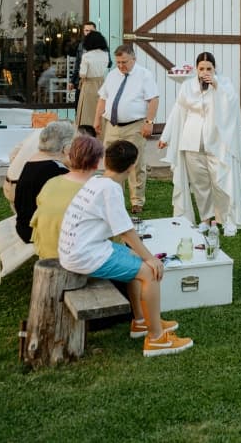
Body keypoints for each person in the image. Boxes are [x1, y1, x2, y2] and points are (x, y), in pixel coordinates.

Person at [58, 137, 193, 357]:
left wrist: (142, 255)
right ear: (132, 166)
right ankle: (156, 339)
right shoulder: (110, 189)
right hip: (84, 255)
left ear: (106, 161)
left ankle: (141, 321)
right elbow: (125, 231)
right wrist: (151, 258)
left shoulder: (97, 181)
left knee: (136, 259)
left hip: (79, 249)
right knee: (150, 272)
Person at [158, 52, 241, 235]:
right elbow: (177, 112)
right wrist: (165, 137)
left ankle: (227, 219)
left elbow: (231, 105)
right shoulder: (187, 86)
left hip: (217, 144)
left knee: (221, 182)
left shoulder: (224, 84)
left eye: (209, 68)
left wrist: (216, 86)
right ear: (196, 69)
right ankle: (206, 219)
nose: (205, 72)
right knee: (200, 185)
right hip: (191, 143)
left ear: (215, 69)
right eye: (201, 68)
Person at [31, 137, 134, 260]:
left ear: (69, 157)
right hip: (77, 258)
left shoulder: (52, 182)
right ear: (98, 162)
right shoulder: (100, 190)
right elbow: (118, 235)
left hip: (46, 252)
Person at [94, 44, 159, 215]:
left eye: (124, 62)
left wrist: (149, 122)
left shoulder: (144, 75)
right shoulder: (112, 75)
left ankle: (137, 201)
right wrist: (97, 120)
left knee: (135, 163)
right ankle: (114, 197)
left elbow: (153, 99)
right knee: (111, 162)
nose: (121, 66)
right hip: (112, 125)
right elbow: (103, 99)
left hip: (135, 125)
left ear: (133, 59)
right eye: (118, 62)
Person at [13, 121, 76, 244]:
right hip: (37, 232)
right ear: (66, 148)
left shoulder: (32, 162)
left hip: (24, 226)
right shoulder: (55, 171)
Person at [76, 31, 110, 135]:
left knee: (87, 113)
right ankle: (101, 136)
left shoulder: (87, 56)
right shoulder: (105, 54)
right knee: (101, 111)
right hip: (102, 83)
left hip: (89, 84)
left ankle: (87, 137)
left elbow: (82, 74)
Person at [68, 20, 111, 98]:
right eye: (86, 30)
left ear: (95, 31)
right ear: (83, 31)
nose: (88, 33)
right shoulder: (81, 45)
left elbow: (109, 63)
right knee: (78, 103)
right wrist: (72, 81)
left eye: (91, 31)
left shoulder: (102, 46)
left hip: (96, 82)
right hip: (80, 81)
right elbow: (77, 64)